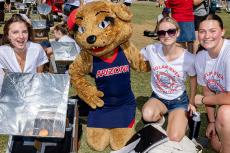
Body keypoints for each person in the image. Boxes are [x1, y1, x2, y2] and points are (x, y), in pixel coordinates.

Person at [141, 17, 197, 142]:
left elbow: (193, 79)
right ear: (158, 35)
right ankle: (161, 119)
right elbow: (135, 58)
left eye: (170, 31)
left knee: (174, 137)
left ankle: (181, 120)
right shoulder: (151, 50)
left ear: (177, 32)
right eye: (161, 33)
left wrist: (192, 101)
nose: (166, 35)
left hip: (178, 100)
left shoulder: (189, 58)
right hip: (158, 97)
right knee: (147, 114)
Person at [194, 14, 230, 153]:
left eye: (212, 31)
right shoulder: (201, 58)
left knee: (224, 113)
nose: (206, 36)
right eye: (202, 31)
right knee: (215, 145)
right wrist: (211, 122)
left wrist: (202, 100)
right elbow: (208, 89)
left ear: (222, 32)